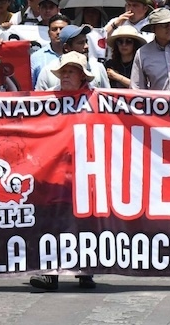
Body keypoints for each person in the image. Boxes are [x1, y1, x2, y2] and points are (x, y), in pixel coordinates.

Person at [30, 52, 98, 291]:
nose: (66, 75)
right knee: (52, 220)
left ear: (81, 76)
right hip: (54, 169)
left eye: (71, 71)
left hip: (88, 168)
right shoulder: (48, 100)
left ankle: (85, 270)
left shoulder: (98, 101)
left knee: (86, 220)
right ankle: (50, 273)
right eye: (64, 71)